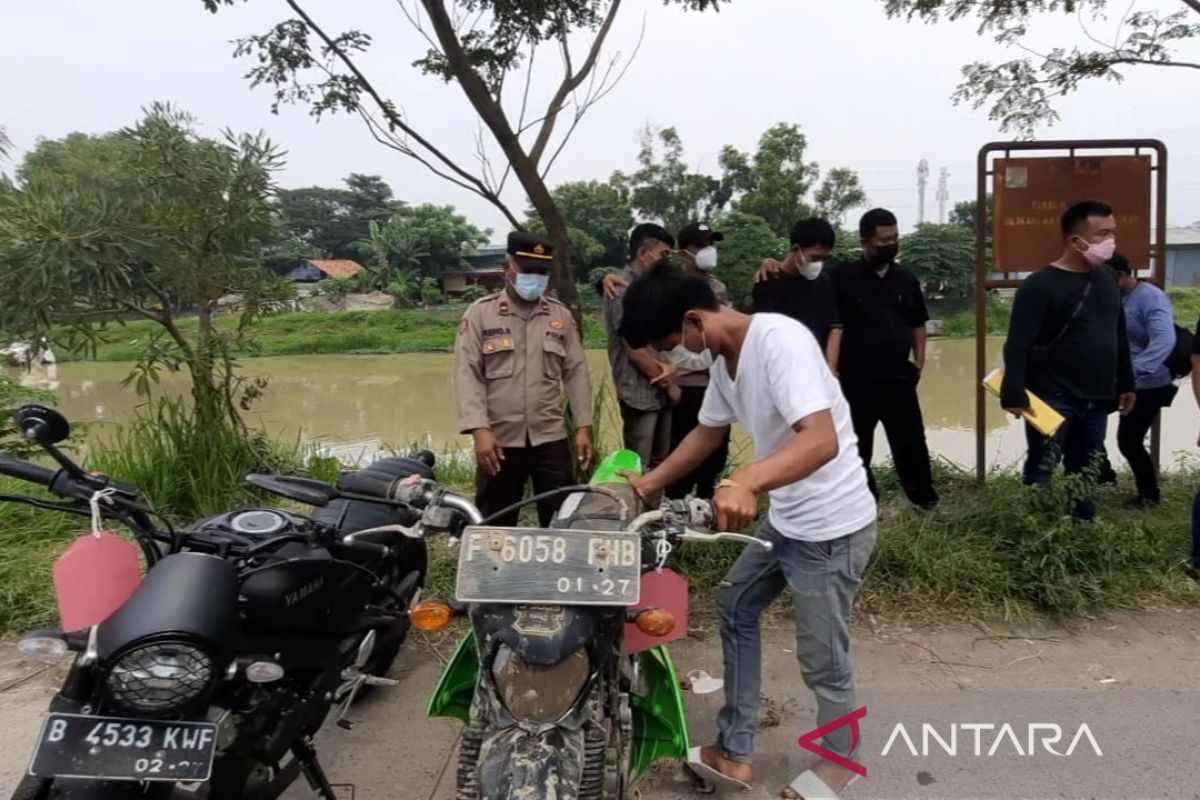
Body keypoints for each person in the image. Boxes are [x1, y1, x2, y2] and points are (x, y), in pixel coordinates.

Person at [617, 264, 877, 800]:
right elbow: (707, 434)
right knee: (735, 605)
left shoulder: (780, 341)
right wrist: (648, 484)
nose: (674, 359)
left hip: (831, 527)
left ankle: (841, 762)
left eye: (672, 345)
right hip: (788, 520)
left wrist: (746, 481)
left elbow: (821, 439)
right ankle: (733, 752)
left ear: (694, 321)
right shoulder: (725, 363)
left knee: (823, 658)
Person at [1000, 201, 1135, 520]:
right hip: (1051, 395)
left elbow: (1119, 333)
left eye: (1112, 233)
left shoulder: (1107, 279)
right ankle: (1035, 531)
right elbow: (1018, 343)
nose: (1111, 241)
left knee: (1086, 468)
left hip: (1097, 394)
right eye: (1102, 234)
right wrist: (1013, 392)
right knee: (1042, 467)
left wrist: (1126, 382)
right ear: (1076, 241)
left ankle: (1082, 527)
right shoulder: (1039, 285)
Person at [452, 231, 594, 527]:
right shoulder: (480, 314)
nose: (536, 278)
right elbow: (468, 375)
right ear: (508, 270)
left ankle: (553, 571)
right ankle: (493, 572)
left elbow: (576, 372)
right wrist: (479, 429)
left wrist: (582, 426)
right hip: (499, 439)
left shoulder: (560, 316)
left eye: (542, 272)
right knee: (496, 518)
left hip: (550, 435)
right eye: (528, 270)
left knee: (560, 517)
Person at [834, 208, 939, 509]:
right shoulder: (842, 277)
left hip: (899, 378)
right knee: (856, 448)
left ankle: (924, 503)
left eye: (895, 238)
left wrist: (919, 361)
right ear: (865, 241)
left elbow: (918, 322)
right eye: (884, 240)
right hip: (856, 380)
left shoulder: (906, 278)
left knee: (912, 444)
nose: (891, 244)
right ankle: (865, 505)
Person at [604, 223, 679, 469]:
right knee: (637, 466)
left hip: (660, 390)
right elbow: (635, 350)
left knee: (661, 464)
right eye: (663, 255)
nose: (666, 261)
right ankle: (636, 509)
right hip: (639, 391)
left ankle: (654, 508)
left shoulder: (655, 288)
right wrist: (669, 384)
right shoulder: (621, 288)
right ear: (643, 254)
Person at [1111, 252, 1177, 507]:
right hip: (1119, 381)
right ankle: (1102, 472)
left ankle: (1149, 496)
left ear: (1120, 276)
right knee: (1081, 419)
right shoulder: (1116, 297)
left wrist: (1134, 372)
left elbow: (1164, 340)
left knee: (1129, 440)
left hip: (1147, 383)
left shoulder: (1150, 298)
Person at [751, 217, 842, 369]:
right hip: (783, 367)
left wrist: (830, 370)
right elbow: (767, 335)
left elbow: (834, 327)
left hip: (818, 369)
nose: (819, 263)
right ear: (795, 250)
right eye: (814, 258)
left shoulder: (824, 280)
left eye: (824, 259)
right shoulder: (768, 281)